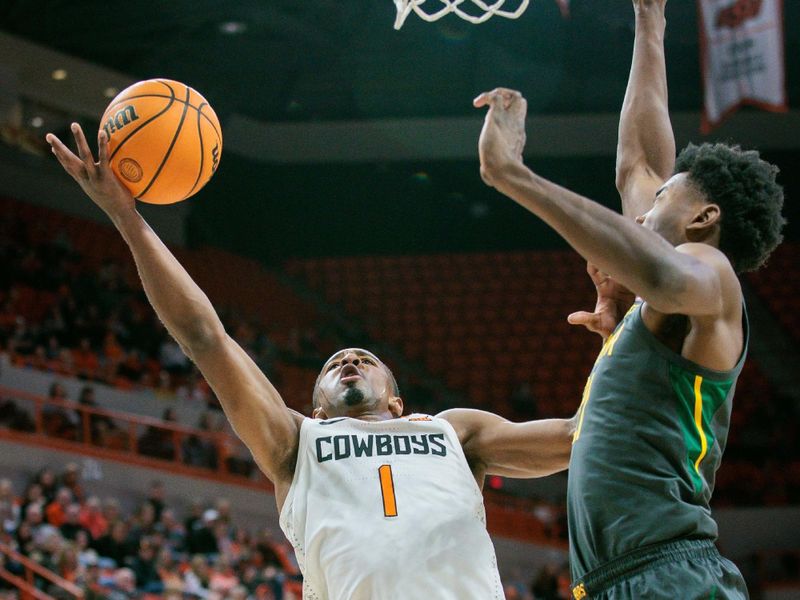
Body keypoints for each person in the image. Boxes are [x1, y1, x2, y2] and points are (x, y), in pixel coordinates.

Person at [46, 124, 576, 599]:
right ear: (317, 407)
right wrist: (125, 215)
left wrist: (623, 331)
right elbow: (205, 337)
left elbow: (579, 438)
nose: (348, 360)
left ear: (397, 397)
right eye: (334, 364)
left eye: (363, 358)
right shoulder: (297, 444)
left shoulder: (454, 432)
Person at [473, 0, 785, 597]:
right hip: (619, 579)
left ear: (704, 217)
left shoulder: (713, 275)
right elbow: (638, 161)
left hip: (670, 574)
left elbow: (661, 275)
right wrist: (650, 19)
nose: (643, 206)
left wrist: (513, 175)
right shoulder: (660, 306)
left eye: (662, 196)